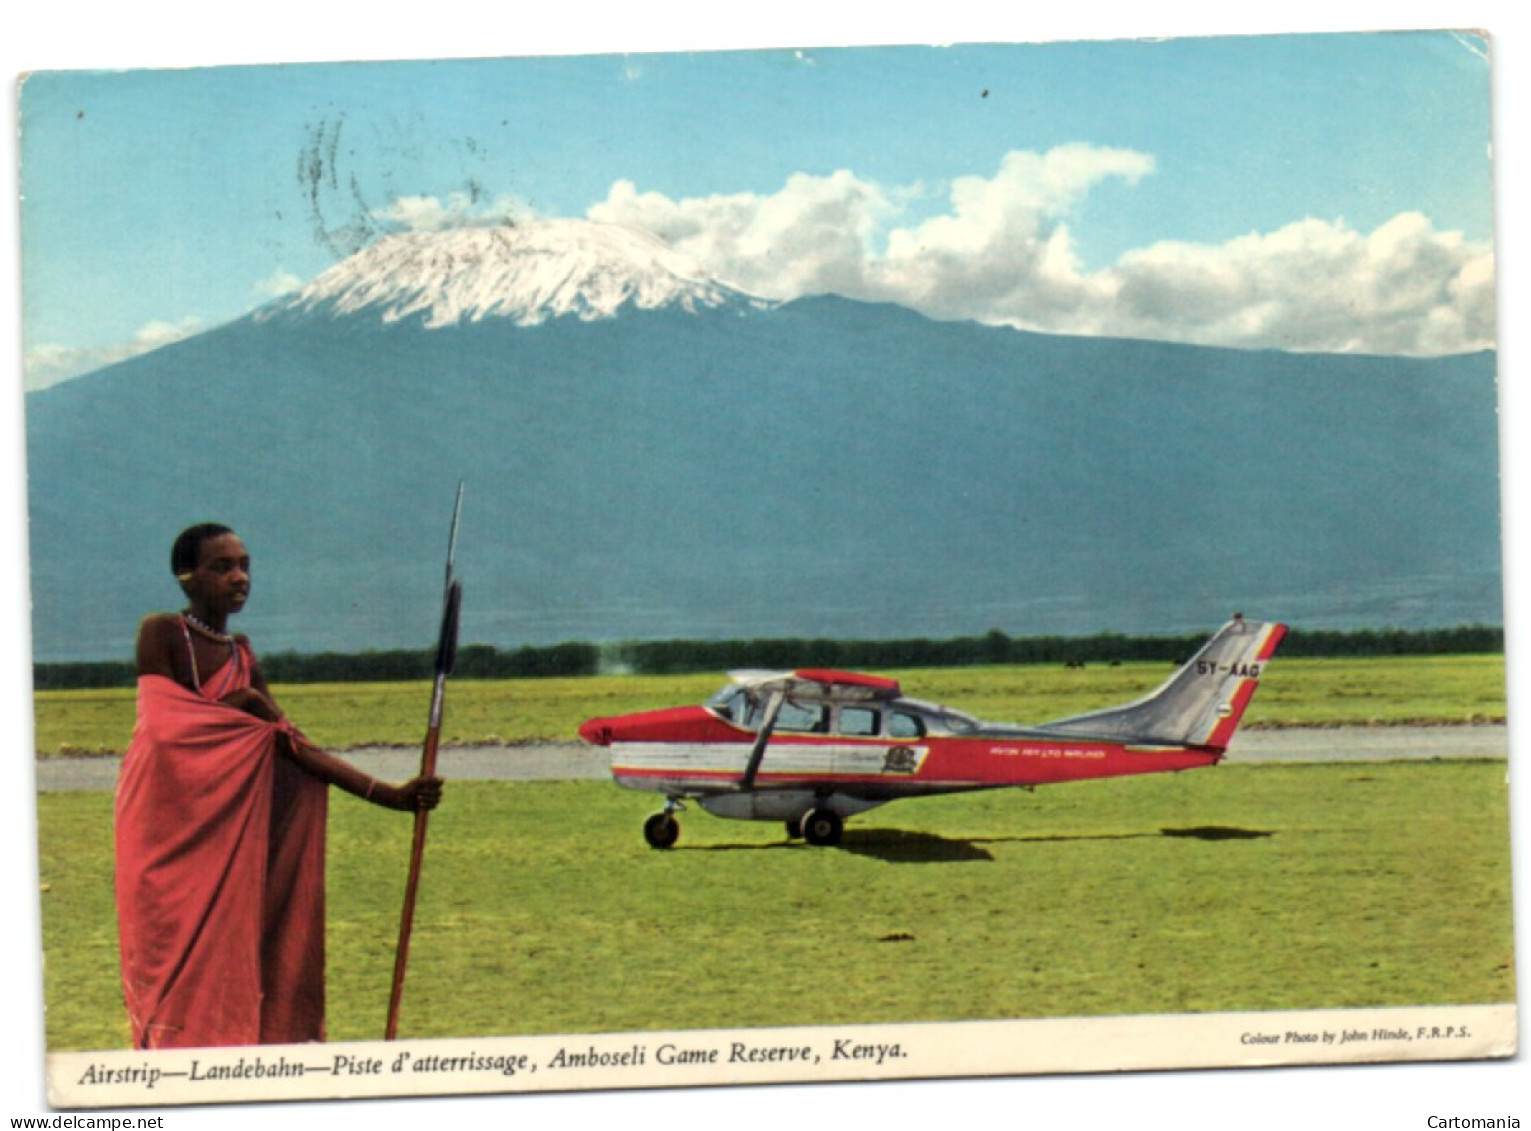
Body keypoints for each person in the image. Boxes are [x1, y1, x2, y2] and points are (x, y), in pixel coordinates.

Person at [114, 523, 443, 1049]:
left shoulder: (242, 655)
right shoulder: (162, 634)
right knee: (170, 961)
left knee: (237, 944)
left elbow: (291, 744)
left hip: (227, 832)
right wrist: (245, 709)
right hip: (166, 828)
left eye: (244, 565)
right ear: (186, 578)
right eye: (222, 567)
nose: (239, 578)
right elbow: (165, 731)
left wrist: (391, 795)